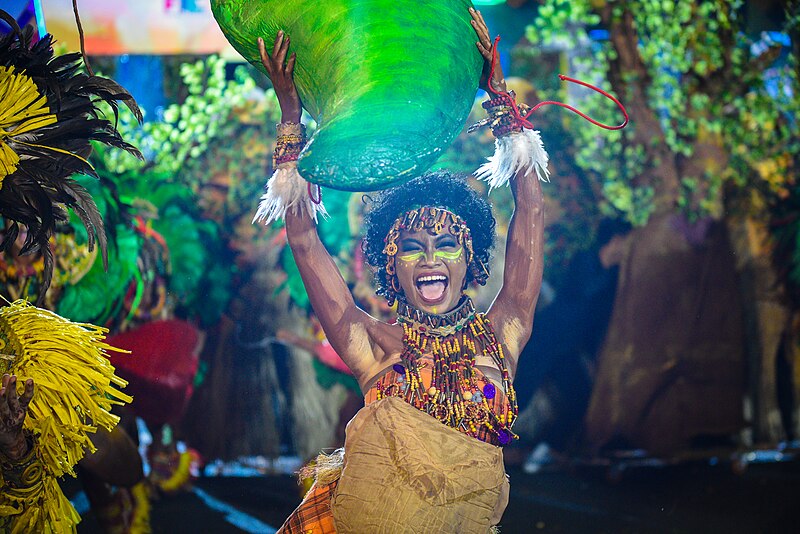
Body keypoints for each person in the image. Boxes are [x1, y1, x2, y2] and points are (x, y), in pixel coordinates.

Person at [257, 7, 544, 532]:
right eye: (411, 246)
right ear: (392, 264)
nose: (430, 258)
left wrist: (500, 100)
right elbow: (302, 237)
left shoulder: (504, 334)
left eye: (444, 245)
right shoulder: (374, 345)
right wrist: (291, 119)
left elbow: (531, 214)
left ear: (471, 258)